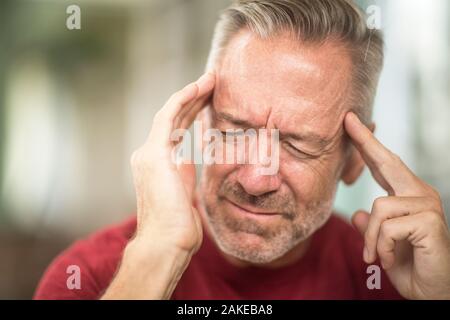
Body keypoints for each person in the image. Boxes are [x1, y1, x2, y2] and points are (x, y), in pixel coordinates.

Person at [35, 0, 450, 300]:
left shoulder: (392, 281)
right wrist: (158, 254)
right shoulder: (88, 278)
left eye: (296, 145)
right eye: (234, 132)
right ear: (200, 124)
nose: (255, 180)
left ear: (356, 158)